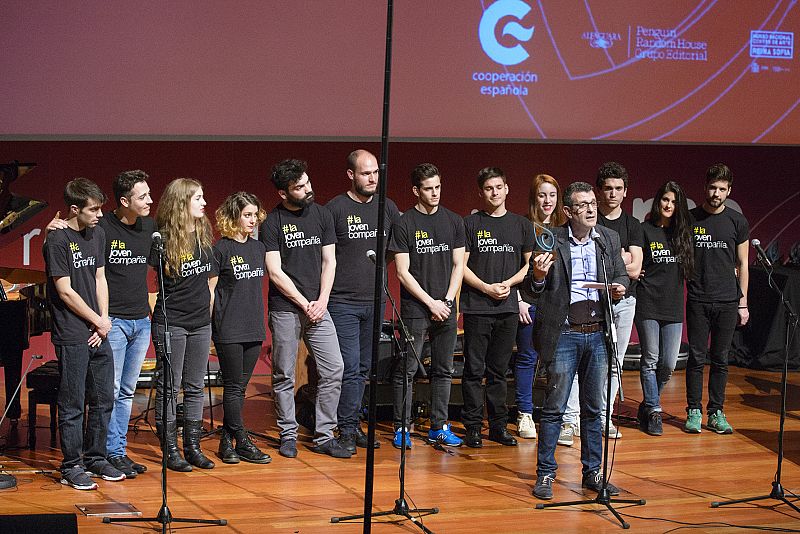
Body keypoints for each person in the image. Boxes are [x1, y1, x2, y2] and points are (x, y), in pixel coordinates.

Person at [530, 181, 628, 501]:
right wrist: (539, 276)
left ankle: (593, 473)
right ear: (569, 212)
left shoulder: (607, 239)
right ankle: (545, 473)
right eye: (583, 206)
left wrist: (618, 287)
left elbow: (622, 276)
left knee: (594, 407)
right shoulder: (552, 239)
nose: (591, 209)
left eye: (593, 204)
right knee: (555, 407)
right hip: (566, 334)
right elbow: (534, 290)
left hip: (598, 333)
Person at [261, 159, 349, 459]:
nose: (308, 189)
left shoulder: (322, 214)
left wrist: (322, 300)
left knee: (334, 368)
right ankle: (288, 433)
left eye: (308, 183)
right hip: (286, 307)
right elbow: (275, 271)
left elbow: (330, 261)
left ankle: (325, 434)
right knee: (284, 373)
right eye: (299, 187)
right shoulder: (272, 223)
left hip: (319, 306)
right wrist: (303, 302)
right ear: (284, 193)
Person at [44, 178, 124, 490]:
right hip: (73, 331)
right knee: (73, 402)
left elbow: (100, 277)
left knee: (104, 397)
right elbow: (64, 291)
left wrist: (103, 319)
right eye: (93, 210)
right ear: (74, 209)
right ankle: (71, 464)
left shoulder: (98, 234)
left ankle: (96, 457)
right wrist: (96, 321)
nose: (100, 215)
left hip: (97, 328)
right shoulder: (57, 240)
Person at [326, 150, 400, 453]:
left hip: (375, 299)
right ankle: (345, 428)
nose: (372, 179)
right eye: (366, 173)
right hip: (342, 301)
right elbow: (325, 256)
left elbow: (398, 246)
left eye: (376, 173)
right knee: (349, 365)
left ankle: (354, 424)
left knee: (365, 368)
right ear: (351, 175)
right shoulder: (335, 208)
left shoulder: (388, 208)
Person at [388, 162, 465, 449]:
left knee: (444, 368)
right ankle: (401, 427)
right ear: (416, 190)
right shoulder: (405, 223)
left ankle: (439, 426)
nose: (435, 193)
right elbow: (402, 272)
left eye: (437, 187)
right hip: (417, 309)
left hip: (445, 306)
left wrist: (446, 300)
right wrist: (430, 302)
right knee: (407, 368)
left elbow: (459, 264)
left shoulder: (454, 221)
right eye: (428, 189)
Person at [461, 167, 533, 448]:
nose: (494, 193)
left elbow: (530, 265)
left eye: (499, 187)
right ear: (481, 192)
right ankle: (473, 427)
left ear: (507, 189)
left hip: (508, 308)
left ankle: (499, 426)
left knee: (499, 371)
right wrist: (485, 287)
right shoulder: (470, 223)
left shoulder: (521, 225)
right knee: (473, 370)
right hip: (478, 306)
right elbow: (461, 265)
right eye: (489, 188)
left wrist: (507, 283)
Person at [151, 178, 218, 472]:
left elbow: (210, 279)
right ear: (181, 203)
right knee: (169, 387)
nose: (204, 202)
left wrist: (209, 307)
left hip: (200, 322)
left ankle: (192, 446)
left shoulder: (204, 234)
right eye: (198, 198)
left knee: (194, 387)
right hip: (172, 322)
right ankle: (170, 450)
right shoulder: (162, 240)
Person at [685, 163, 749, 434]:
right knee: (697, 357)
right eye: (712, 187)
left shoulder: (737, 221)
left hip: (727, 300)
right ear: (705, 187)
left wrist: (743, 302)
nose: (716, 193)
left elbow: (743, 263)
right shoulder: (689, 219)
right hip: (698, 298)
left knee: (721, 359)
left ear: (729, 191)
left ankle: (716, 412)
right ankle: (693, 411)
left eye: (722, 189)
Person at [212, 192, 271, 464]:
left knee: (240, 388)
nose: (253, 220)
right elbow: (211, 291)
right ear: (233, 216)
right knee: (234, 388)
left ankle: (227, 442)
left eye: (255, 215)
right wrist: (210, 328)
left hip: (254, 327)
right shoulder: (221, 249)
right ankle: (244, 442)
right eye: (247, 215)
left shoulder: (258, 249)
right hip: (229, 327)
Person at [635, 181, 694, 436]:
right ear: (657, 202)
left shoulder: (681, 234)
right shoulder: (644, 230)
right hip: (648, 302)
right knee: (650, 359)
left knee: (668, 364)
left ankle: (648, 405)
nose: (668, 205)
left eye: (673, 202)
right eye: (664, 200)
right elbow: (636, 262)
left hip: (672, 305)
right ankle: (655, 410)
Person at [515, 174, 566, 440]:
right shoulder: (523, 226)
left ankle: (558, 416)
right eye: (542, 195)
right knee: (527, 357)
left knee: (559, 361)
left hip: (557, 305)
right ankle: (524, 414)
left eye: (552, 195)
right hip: (529, 303)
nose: (547, 201)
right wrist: (520, 300)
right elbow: (516, 270)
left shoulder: (565, 228)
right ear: (534, 197)